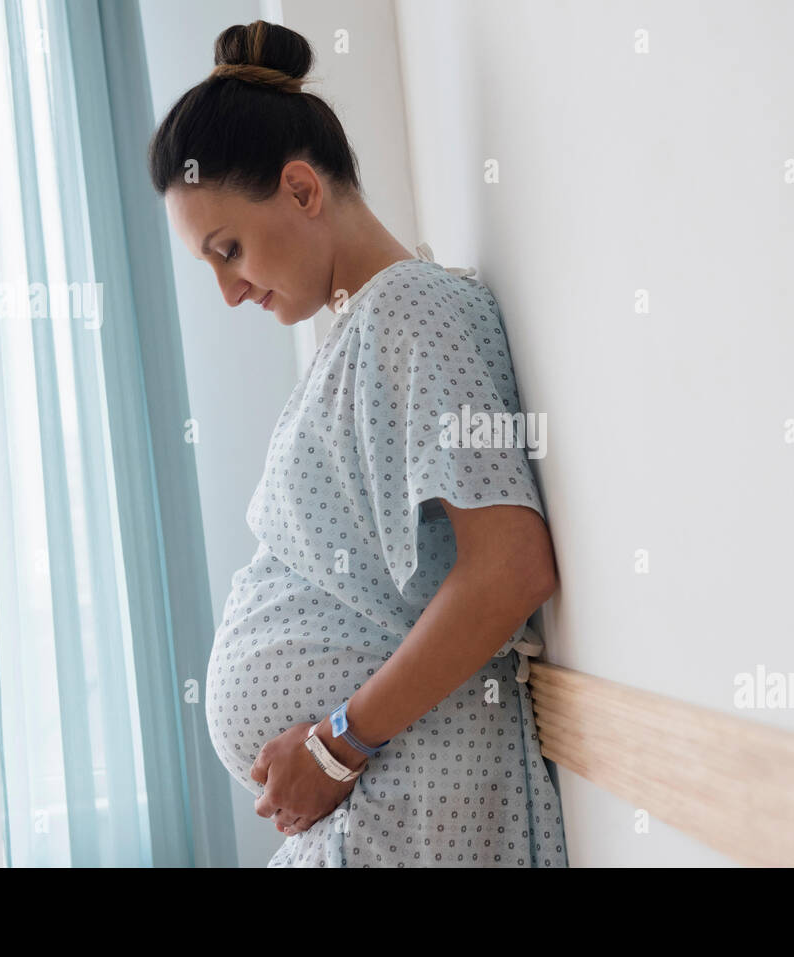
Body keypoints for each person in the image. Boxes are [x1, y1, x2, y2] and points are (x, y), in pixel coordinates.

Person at [146, 19, 567, 867]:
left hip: (418, 802)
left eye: (228, 250)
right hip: (382, 808)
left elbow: (511, 565)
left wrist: (337, 745)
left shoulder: (409, 309)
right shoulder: (350, 336)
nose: (229, 291)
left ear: (302, 190)